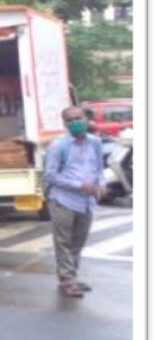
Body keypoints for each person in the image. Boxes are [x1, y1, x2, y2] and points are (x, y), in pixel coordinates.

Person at [44, 105, 106, 298]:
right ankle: (67, 280)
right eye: (70, 120)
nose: (75, 123)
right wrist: (79, 185)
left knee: (78, 241)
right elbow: (51, 176)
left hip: (86, 202)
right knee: (63, 242)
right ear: (64, 124)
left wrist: (101, 184)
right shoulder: (58, 146)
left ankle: (72, 276)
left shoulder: (95, 142)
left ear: (86, 120)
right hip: (64, 200)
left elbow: (99, 167)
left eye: (78, 118)